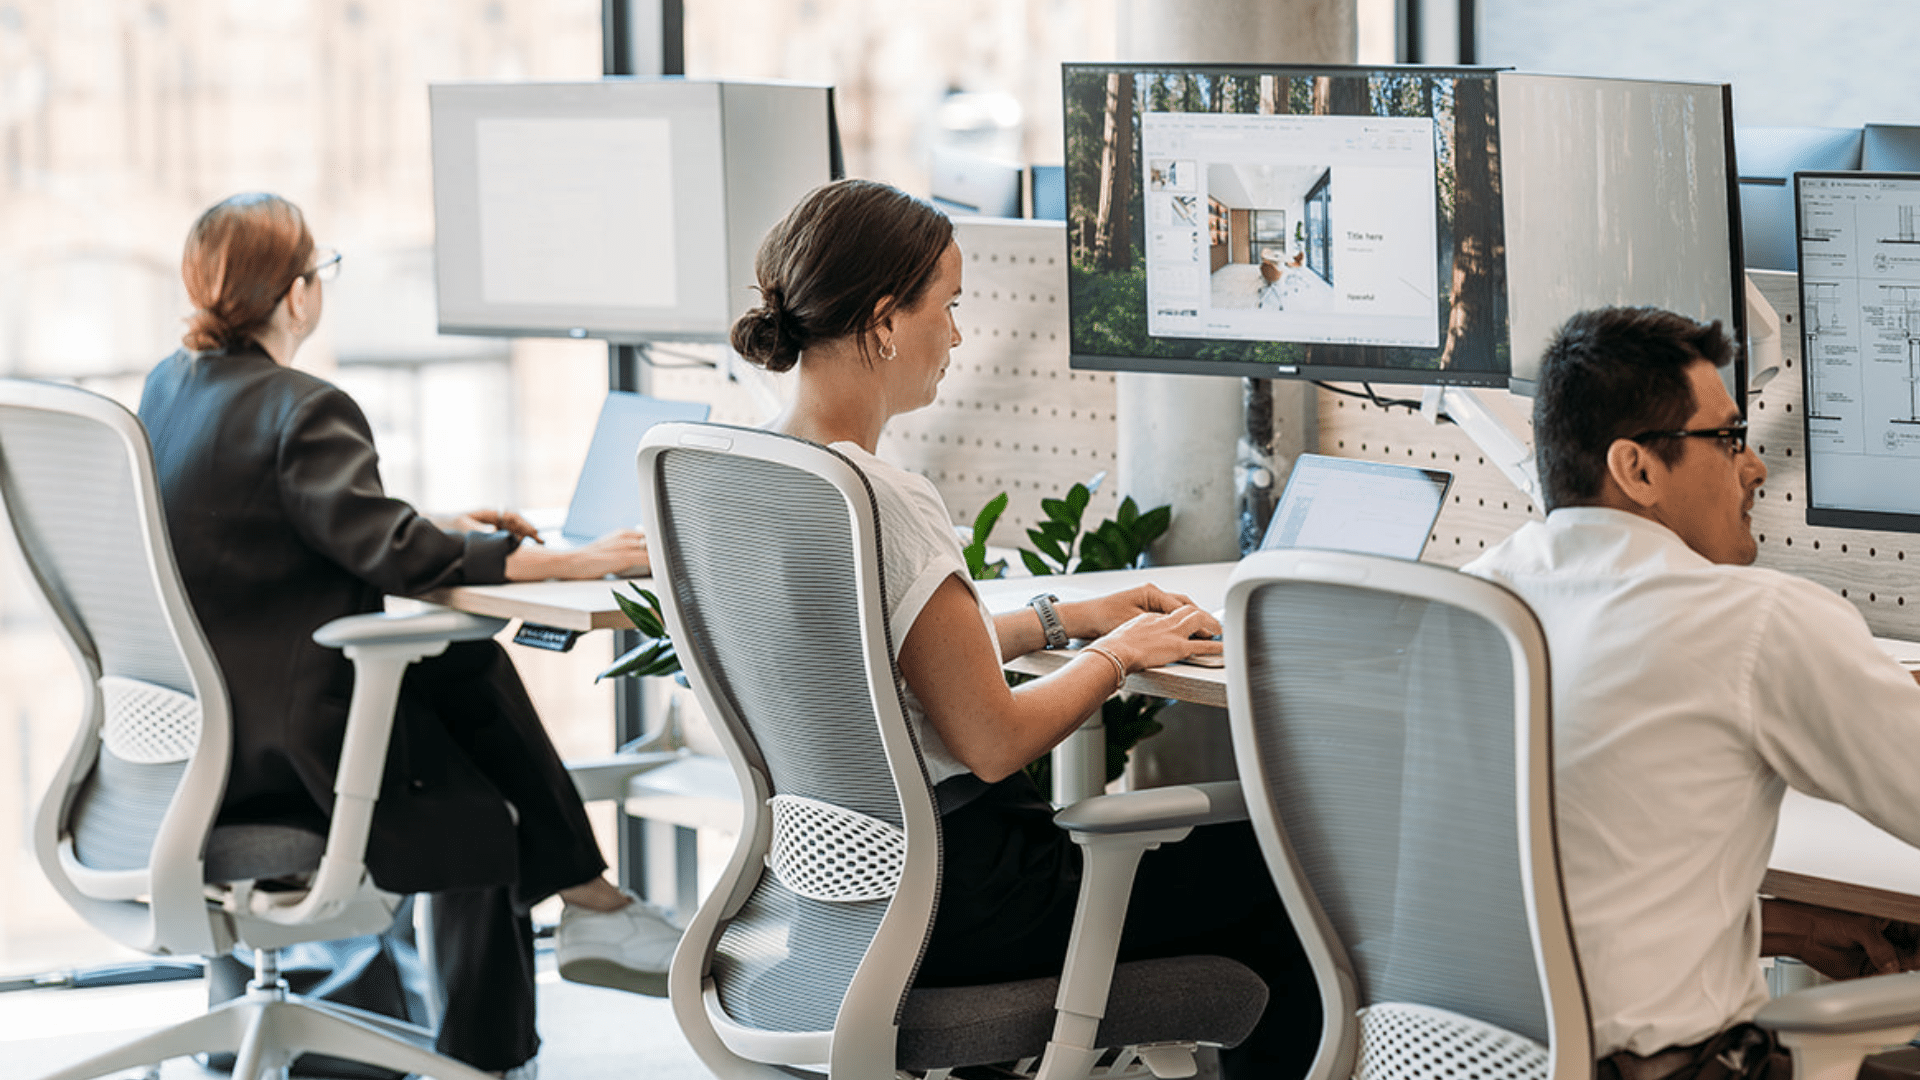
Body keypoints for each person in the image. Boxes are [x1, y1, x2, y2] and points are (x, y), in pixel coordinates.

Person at [728, 178, 1320, 1080]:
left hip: (844, 901)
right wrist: (1121, 656)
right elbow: (993, 740)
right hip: (973, 900)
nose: (957, 335)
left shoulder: (769, 473)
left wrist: (1065, 618)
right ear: (886, 322)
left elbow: (879, 656)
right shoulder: (884, 497)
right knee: (1299, 869)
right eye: (950, 307)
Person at [138, 192, 679, 1077]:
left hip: (191, 744)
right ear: (301, 292)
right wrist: (560, 563)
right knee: (476, 782)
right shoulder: (304, 407)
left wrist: (440, 528)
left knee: (460, 675)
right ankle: (569, 935)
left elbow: (266, 518)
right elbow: (388, 551)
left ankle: (592, 908)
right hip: (283, 761)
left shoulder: (175, 387)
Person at [1462, 306, 1920, 1080]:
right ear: (1637, 469)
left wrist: (1785, 927)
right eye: (1728, 438)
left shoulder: (1467, 601)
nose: (1755, 467)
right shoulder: (1753, 621)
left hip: (1452, 1058)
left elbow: (1549, 888)